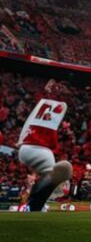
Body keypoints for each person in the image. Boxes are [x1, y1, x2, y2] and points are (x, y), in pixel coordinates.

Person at [16, 81, 72, 211]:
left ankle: (31, 200)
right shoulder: (51, 125)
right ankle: (33, 204)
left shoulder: (36, 118)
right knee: (51, 177)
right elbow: (54, 145)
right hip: (40, 150)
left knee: (39, 178)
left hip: (24, 148)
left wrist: (47, 91)